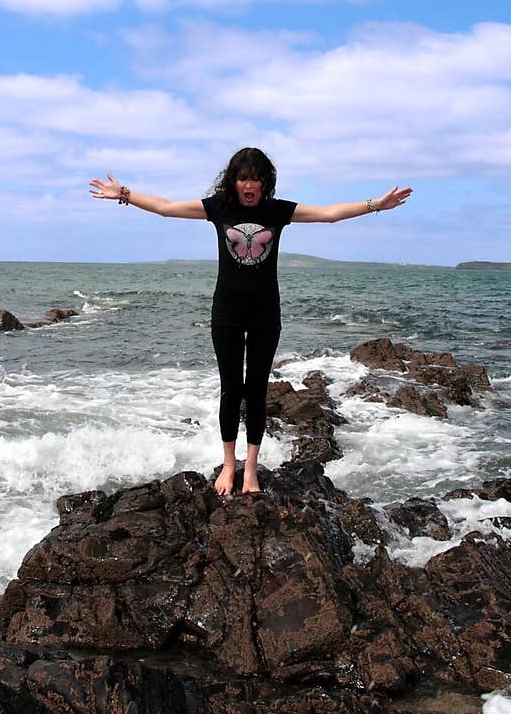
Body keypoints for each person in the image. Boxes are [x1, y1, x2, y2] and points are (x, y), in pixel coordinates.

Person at [90, 148, 412, 496]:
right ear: (234, 180)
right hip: (226, 314)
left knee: (256, 391)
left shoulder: (277, 211)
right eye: (243, 177)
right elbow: (167, 208)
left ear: (265, 182)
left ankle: (252, 469)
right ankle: (230, 464)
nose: (249, 184)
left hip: (265, 315)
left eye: (255, 178)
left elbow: (329, 214)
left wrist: (376, 204)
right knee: (231, 389)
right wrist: (125, 194)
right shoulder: (219, 207)